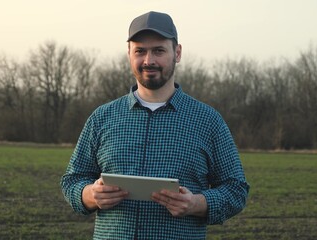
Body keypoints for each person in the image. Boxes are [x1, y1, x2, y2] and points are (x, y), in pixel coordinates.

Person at [61, 11, 249, 239]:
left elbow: (236, 189)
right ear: (129, 53)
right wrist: (90, 194)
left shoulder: (208, 121)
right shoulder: (102, 117)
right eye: (140, 51)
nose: (149, 60)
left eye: (159, 50)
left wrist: (196, 203)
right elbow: (72, 180)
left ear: (177, 53)